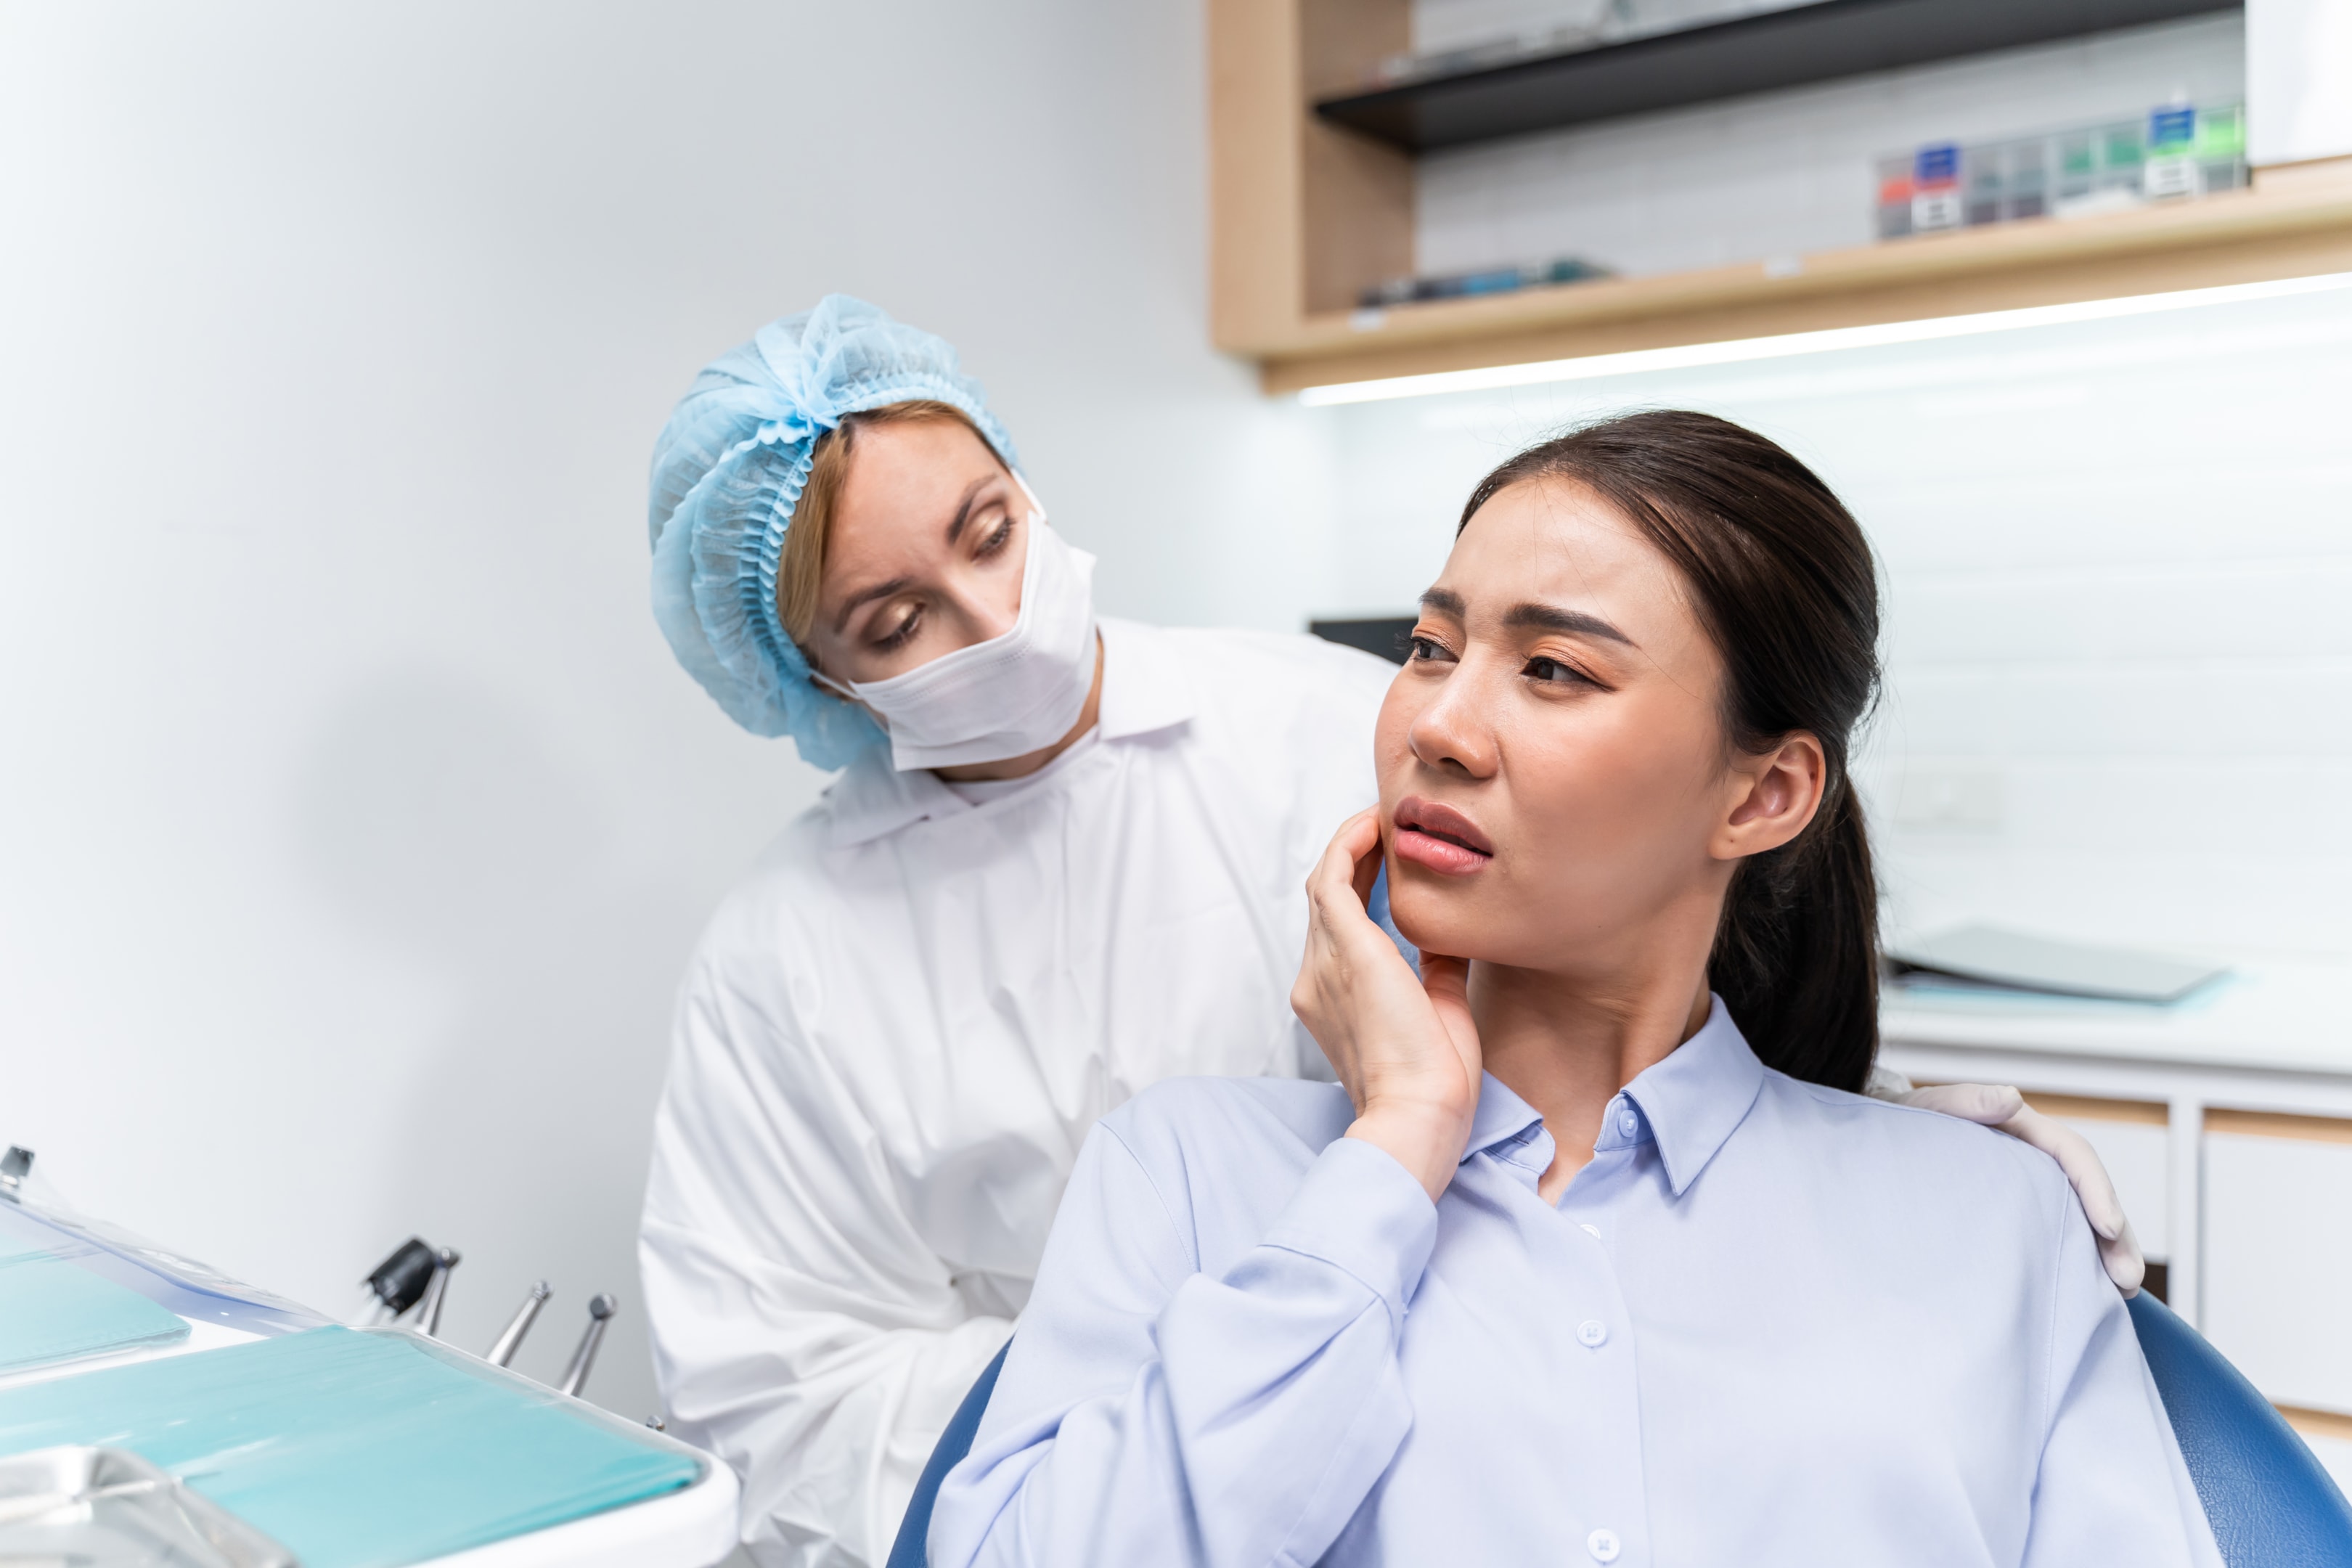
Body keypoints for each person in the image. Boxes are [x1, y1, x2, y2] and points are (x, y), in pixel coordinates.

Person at [636, 303, 2142, 1568]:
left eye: (989, 532)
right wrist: (1217, 1339)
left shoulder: (1305, 713)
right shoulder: (1054, 1103)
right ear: (817, 677)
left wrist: (1873, 1161)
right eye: (893, 624)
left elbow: (1653, 947)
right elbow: (785, 1399)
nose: (1439, 721)